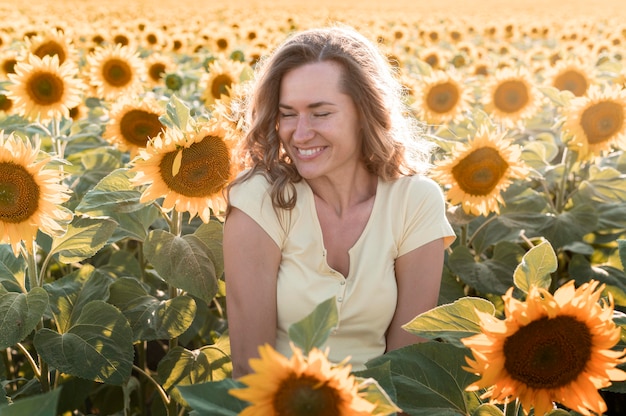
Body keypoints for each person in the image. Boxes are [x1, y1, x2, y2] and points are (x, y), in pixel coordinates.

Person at [223, 24, 456, 378]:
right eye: (288, 113)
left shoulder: (415, 202)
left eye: (320, 113)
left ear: (365, 112)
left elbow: (407, 368)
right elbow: (250, 368)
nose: (299, 134)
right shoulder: (260, 199)